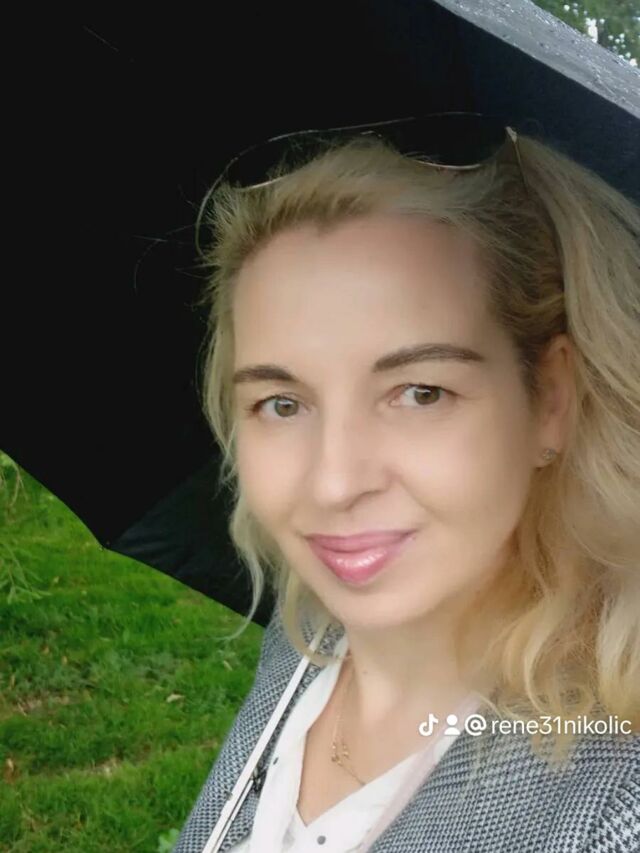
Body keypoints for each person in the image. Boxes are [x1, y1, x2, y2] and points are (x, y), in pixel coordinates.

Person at [173, 116, 640, 852]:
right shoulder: (310, 642)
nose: (334, 483)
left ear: (550, 399)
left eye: (420, 392)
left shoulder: (612, 813)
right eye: (283, 404)